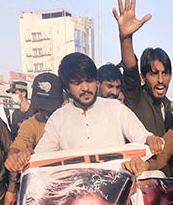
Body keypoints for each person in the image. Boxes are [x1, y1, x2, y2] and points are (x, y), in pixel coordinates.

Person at [31, 53, 163, 157]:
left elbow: (141, 135)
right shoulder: (58, 119)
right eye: (77, 83)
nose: (85, 88)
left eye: (89, 81)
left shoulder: (115, 108)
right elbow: (41, 156)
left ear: (97, 82)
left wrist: (150, 140)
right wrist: (25, 156)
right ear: (67, 88)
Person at [114, 0, 173, 136]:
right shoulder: (136, 98)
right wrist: (126, 38)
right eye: (154, 74)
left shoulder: (169, 107)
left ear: (170, 76)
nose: (160, 80)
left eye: (164, 73)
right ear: (142, 77)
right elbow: (130, 69)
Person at [4, 73, 64, 172]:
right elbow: (21, 142)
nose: (46, 114)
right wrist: (14, 157)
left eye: (50, 109)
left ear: (62, 101)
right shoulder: (31, 123)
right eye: (42, 109)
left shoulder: (72, 117)